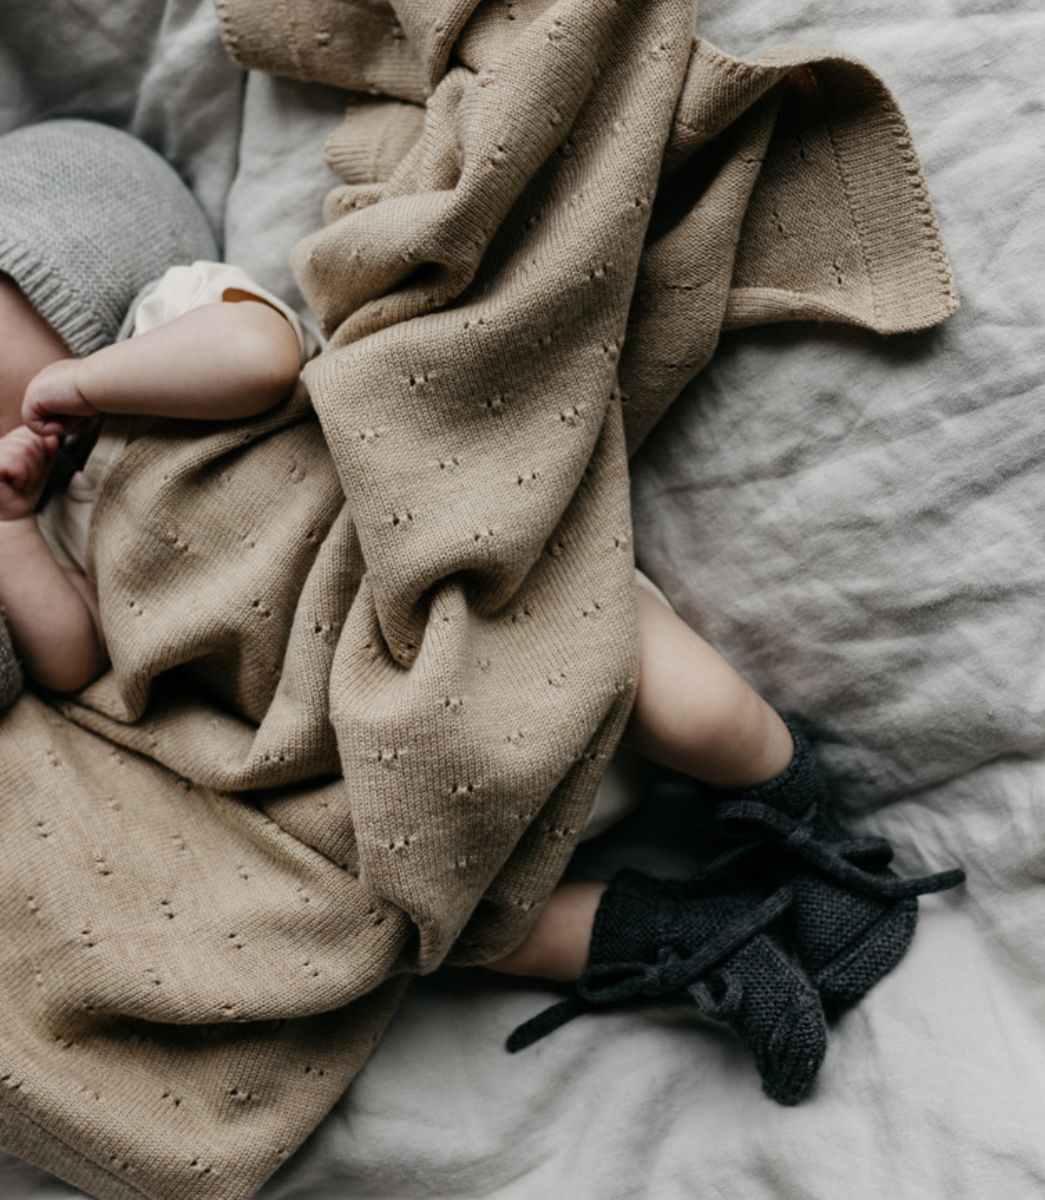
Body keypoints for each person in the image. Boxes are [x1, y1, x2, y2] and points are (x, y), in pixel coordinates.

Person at [0, 119, 964, 1108]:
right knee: (427, 931)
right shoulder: (57, 531)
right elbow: (72, 662)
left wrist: (81, 382)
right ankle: (691, 935)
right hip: (381, 752)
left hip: (471, 614)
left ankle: (811, 833)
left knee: (689, 703)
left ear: (63, 270)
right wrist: (14, 530)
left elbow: (257, 355)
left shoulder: (166, 325)